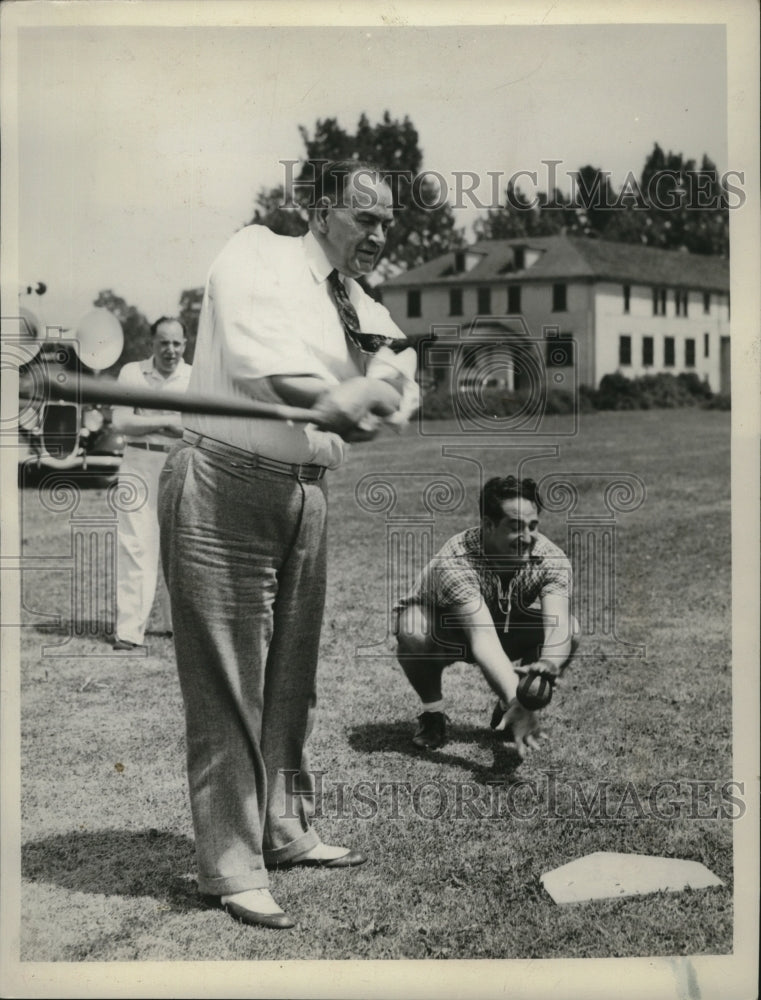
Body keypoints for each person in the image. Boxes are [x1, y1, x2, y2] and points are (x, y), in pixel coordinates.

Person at [157, 160, 418, 930]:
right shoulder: (256, 254)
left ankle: (283, 828)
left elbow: (402, 355)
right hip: (224, 479)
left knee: (291, 679)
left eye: (387, 222)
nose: (380, 234)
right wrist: (327, 394)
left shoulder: (359, 299)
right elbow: (254, 357)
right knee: (229, 681)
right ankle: (231, 864)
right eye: (366, 218)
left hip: (306, 493)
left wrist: (383, 385)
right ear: (319, 208)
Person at [394, 475, 579, 758]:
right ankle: (434, 714)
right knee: (411, 627)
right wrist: (513, 694)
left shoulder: (550, 558)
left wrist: (549, 664)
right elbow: (483, 639)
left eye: (532, 526)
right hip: (448, 634)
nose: (528, 538)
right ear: (488, 525)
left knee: (572, 631)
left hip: (502, 627)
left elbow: (560, 625)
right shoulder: (457, 560)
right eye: (515, 527)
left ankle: (510, 711)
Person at [111, 317, 191, 650]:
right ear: (151, 344)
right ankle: (129, 632)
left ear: (185, 345)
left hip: (181, 463)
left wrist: (147, 419)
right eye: (163, 343)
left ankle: (182, 628)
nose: (169, 350)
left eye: (176, 343)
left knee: (184, 548)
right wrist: (169, 420)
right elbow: (121, 422)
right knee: (135, 544)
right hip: (138, 464)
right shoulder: (132, 373)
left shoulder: (196, 376)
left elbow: (198, 429)